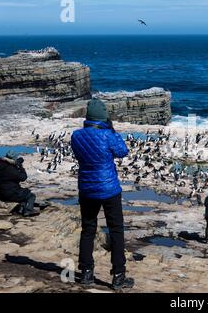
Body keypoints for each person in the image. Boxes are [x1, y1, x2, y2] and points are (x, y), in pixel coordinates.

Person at [71, 98, 134, 291]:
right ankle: (118, 276)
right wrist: (112, 130)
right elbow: (123, 151)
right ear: (103, 117)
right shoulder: (108, 135)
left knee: (88, 229)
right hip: (109, 189)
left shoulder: (76, 135)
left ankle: (86, 273)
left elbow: (80, 154)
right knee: (116, 230)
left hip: (87, 189)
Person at [0, 151, 40, 217]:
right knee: (30, 195)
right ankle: (28, 211)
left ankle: (21, 209)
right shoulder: (11, 169)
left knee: (22, 194)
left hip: (1, 192)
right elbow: (23, 177)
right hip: (11, 193)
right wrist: (20, 166)